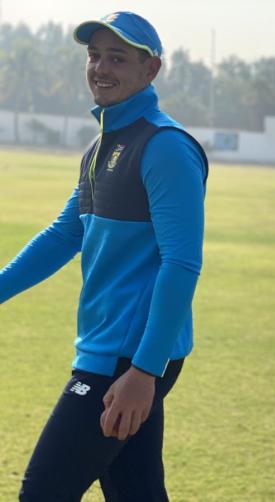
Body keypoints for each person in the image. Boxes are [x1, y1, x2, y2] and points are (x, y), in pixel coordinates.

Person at [0, 11, 208, 501]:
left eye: (117, 57)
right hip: (114, 349)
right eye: (94, 55)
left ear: (150, 69)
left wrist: (144, 372)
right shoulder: (102, 145)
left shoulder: (165, 146)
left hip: (127, 357)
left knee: (43, 492)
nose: (101, 67)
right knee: (134, 491)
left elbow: (182, 263)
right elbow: (64, 233)